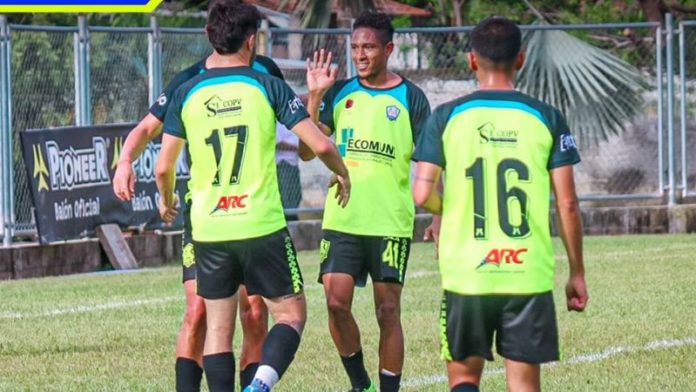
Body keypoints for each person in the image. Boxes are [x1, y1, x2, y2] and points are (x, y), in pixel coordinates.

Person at [155, 2, 350, 391]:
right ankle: (260, 384)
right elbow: (319, 144)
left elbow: (163, 167)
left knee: (218, 329)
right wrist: (342, 174)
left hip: (209, 227)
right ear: (252, 40)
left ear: (210, 37)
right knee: (291, 314)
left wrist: (165, 199)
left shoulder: (187, 91)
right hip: (260, 223)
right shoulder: (266, 84)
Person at [412, 16, 589, 392]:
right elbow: (568, 204)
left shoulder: (446, 117)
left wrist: (449, 208)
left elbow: (422, 194)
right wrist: (576, 272)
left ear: (472, 60)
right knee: (523, 384)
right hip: (526, 273)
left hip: (467, 272)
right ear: (520, 59)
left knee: (463, 380)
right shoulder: (547, 117)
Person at [112, 20, 286, 392]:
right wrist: (125, 160)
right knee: (197, 311)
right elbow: (146, 129)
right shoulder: (188, 80)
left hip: (253, 213)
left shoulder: (267, 72)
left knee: (255, 313)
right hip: (206, 216)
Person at [299, 11, 431, 392]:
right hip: (343, 217)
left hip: (389, 221)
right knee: (335, 302)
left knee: (387, 311)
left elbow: (428, 162)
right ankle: (362, 385)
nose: (360, 54)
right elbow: (308, 153)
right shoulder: (339, 93)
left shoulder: (411, 98)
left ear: (388, 49)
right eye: (355, 47)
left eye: (369, 47)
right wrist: (314, 96)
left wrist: (438, 212)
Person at [275, 122, 302, 220]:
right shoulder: (277, 122)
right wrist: (300, 148)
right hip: (283, 162)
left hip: (293, 163)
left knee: (296, 197)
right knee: (286, 201)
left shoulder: (296, 120)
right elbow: (277, 143)